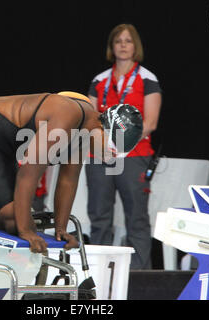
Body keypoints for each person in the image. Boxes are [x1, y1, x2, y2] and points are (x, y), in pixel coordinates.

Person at [0, 92, 144, 253]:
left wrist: (61, 229)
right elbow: (28, 173)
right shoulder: (67, 115)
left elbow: (68, 180)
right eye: (111, 148)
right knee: (16, 222)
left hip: (5, 147)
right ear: (102, 128)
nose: (109, 157)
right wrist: (26, 230)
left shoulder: (88, 129)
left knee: (21, 220)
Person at [86, 23, 162, 269]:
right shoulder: (100, 79)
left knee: (137, 219)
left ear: (135, 46)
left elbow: (149, 123)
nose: (123, 45)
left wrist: (119, 142)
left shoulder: (147, 78)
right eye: (118, 41)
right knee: (99, 217)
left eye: (128, 41)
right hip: (101, 154)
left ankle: (140, 278)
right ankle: (98, 275)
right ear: (112, 46)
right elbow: (89, 119)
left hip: (134, 155)